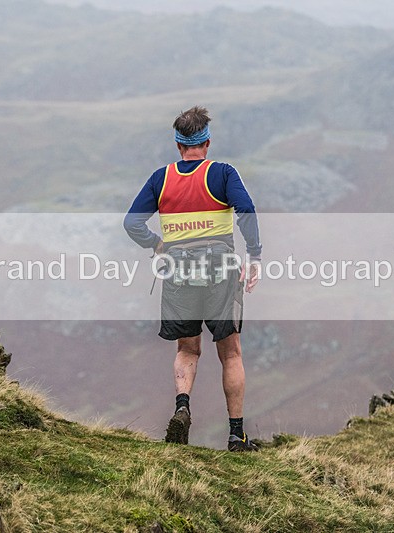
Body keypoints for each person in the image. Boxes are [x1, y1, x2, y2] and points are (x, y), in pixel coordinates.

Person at [124, 106, 262, 451]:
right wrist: (254, 254)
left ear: (178, 145)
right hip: (221, 270)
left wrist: (158, 245)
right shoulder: (223, 174)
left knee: (187, 348)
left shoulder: (162, 178)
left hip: (178, 271)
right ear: (207, 143)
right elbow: (246, 210)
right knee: (230, 352)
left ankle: (182, 408)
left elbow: (132, 223)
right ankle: (236, 435)